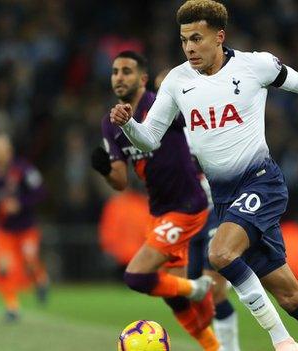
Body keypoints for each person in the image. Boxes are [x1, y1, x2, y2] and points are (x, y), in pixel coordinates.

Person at [110, 1, 298, 350]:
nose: (189, 47)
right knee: (290, 295)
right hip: (224, 198)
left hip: (261, 181)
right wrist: (128, 123)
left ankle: (282, 342)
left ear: (219, 36)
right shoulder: (177, 81)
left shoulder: (256, 65)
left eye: (197, 38)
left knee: (220, 254)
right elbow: (149, 138)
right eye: (183, 40)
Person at [91, 51, 221, 350]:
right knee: (175, 298)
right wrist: (104, 170)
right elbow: (121, 182)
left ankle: (197, 287)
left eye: (126, 71)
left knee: (136, 276)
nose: (119, 77)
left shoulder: (161, 104)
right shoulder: (111, 124)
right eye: (114, 72)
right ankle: (216, 345)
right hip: (159, 211)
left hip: (188, 206)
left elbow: (197, 113)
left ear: (143, 79)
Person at [155, 67, 242, 351]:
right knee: (192, 293)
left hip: (215, 211)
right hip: (186, 221)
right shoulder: (158, 136)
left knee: (215, 289)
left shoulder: (202, 122)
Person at [0, 133, 49, 322]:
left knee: (30, 261)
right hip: (3, 230)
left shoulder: (23, 169)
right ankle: (12, 308)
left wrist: (20, 203)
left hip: (26, 227)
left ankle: (41, 280)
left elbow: (41, 192)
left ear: (8, 151)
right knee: (4, 267)